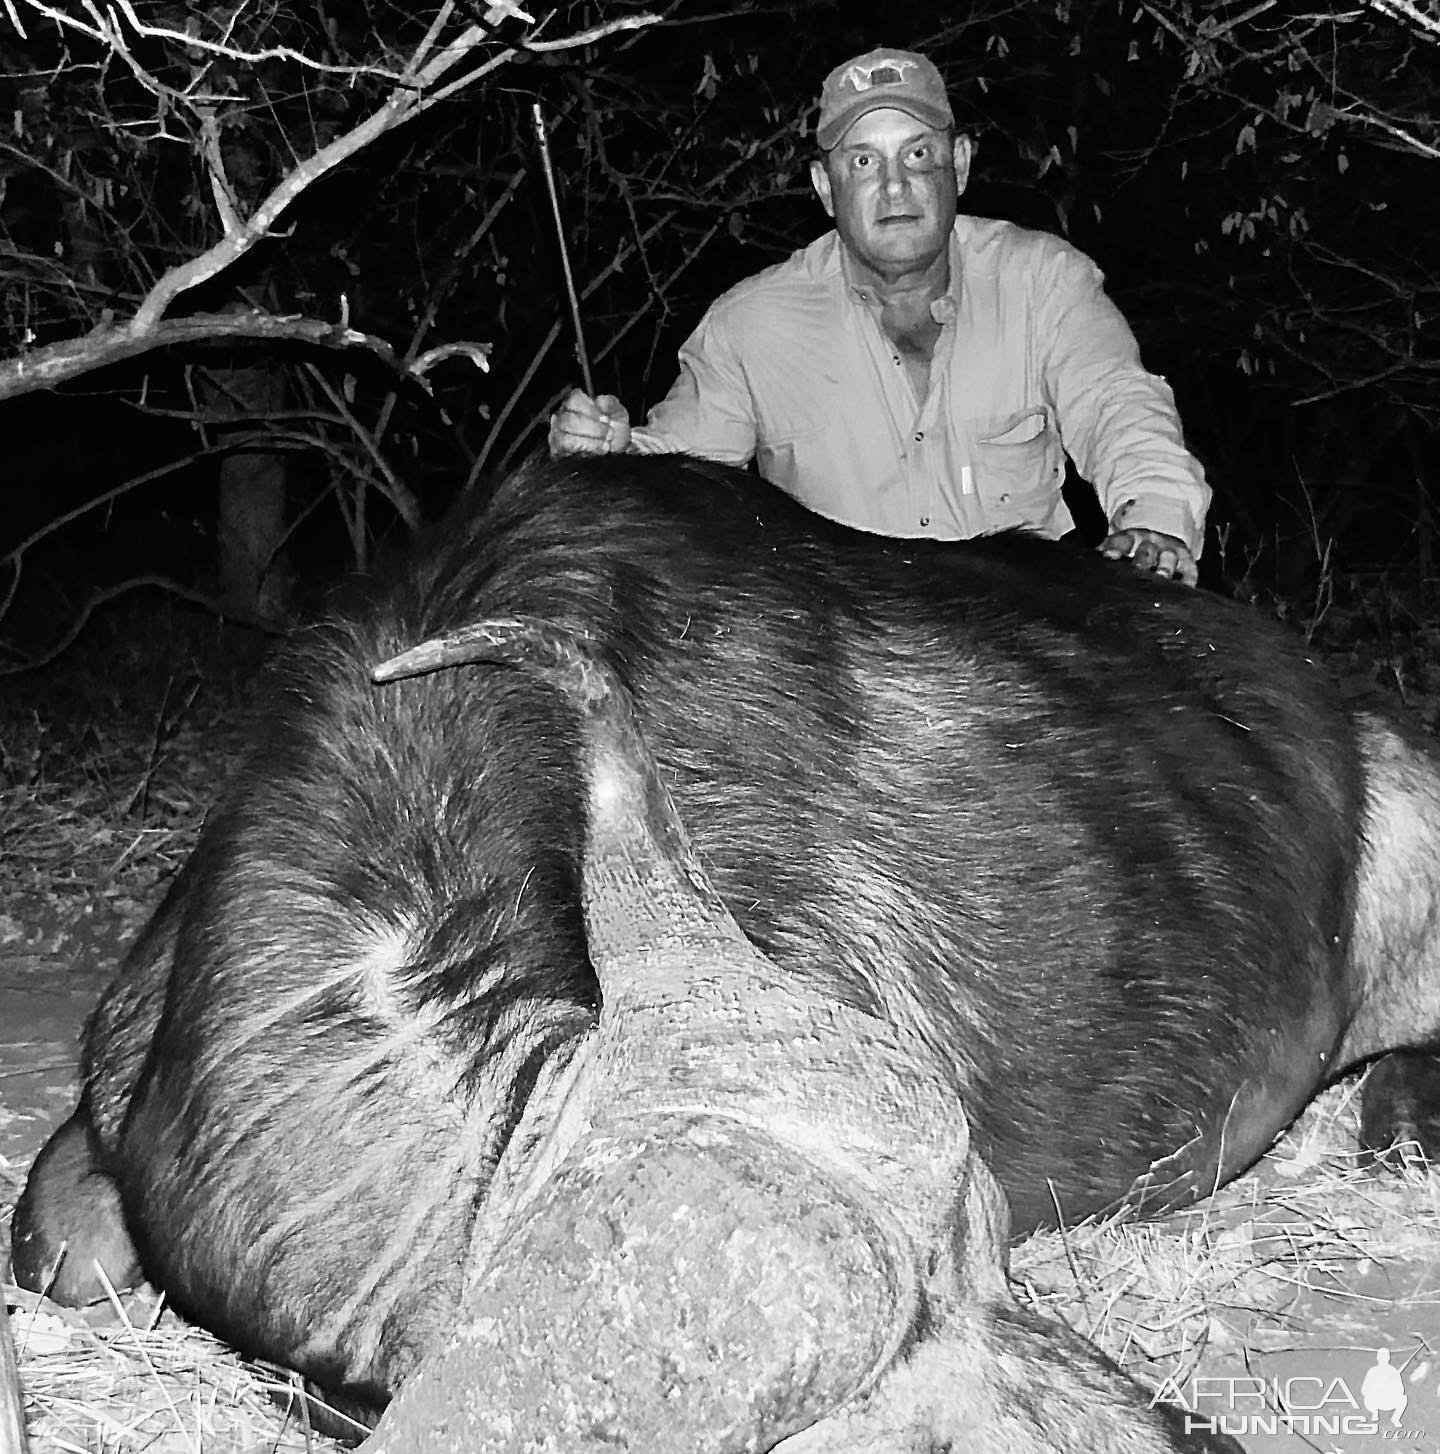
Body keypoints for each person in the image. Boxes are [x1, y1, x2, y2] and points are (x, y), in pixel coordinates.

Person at [549, 46, 1211, 585]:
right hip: (846, 667)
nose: (894, 186)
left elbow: (1120, 406)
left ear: (960, 163)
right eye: (863, 162)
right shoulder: (750, 327)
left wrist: (1152, 523)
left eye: (918, 155)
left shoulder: (1043, 281)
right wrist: (606, 458)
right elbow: (675, 477)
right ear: (823, 188)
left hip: (1026, 631)